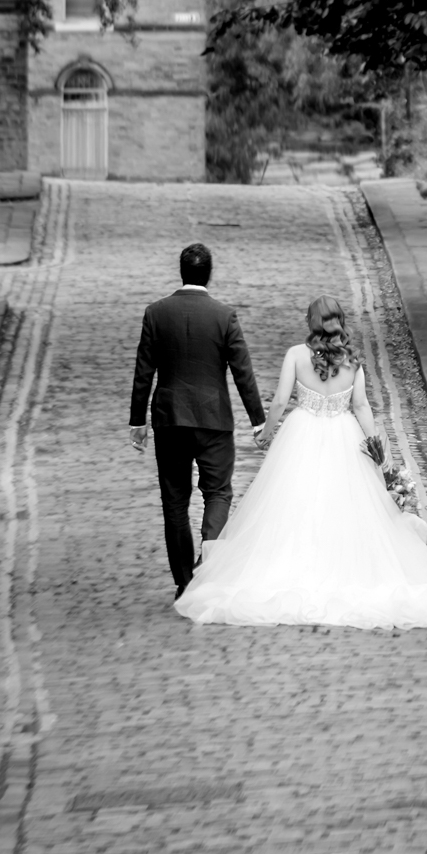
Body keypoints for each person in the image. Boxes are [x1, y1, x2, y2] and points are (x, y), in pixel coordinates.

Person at [175, 295, 427, 628]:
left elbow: (282, 399)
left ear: (310, 322)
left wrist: (267, 432)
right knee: (346, 506)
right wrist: (377, 449)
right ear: (340, 322)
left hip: (301, 434)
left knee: (292, 503)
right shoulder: (353, 361)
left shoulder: (297, 356)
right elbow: (360, 407)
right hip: (344, 435)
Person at [128, 241, 265, 600]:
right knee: (217, 493)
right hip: (213, 419)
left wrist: (137, 420)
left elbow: (144, 370)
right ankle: (210, 563)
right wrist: (258, 420)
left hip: (169, 419)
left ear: (181, 271)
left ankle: (185, 583)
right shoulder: (224, 316)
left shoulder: (156, 313)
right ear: (209, 273)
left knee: (174, 502)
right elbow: (242, 372)